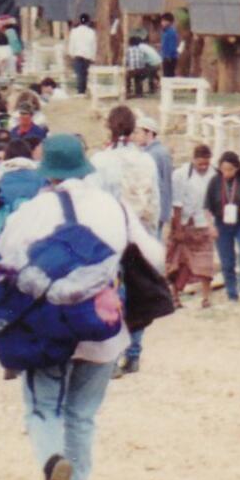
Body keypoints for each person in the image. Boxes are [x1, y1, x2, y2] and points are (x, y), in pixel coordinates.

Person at [0, 133, 161, 480]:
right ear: (84, 167)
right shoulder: (114, 207)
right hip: (102, 323)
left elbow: (6, 254)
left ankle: (53, 461)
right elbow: (154, 255)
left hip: (48, 323)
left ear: (47, 171)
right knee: (83, 414)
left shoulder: (34, 210)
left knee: (43, 406)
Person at [88, 105, 163, 375]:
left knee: (112, 292)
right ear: (133, 129)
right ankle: (134, 352)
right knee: (138, 289)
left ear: (109, 126)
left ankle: (114, 352)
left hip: (110, 233)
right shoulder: (146, 160)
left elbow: (93, 200)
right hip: (140, 231)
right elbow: (154, 200)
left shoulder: (100, 161)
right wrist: (153, 235)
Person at [164, 142, 219, 309]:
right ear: (193, 160)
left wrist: (213, 224)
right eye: (199, 163)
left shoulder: (215, 174)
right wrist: (178, 228)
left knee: (205, 263)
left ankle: (206, 298)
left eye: (206, 163)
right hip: (183, 223)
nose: (203, 166)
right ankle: (175, 297)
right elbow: (177, 203)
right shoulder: (180, 175)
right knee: (177, 263)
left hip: (204, 224)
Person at [205, 150, 240, 303]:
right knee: (227, 260)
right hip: (221, 223)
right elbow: (206, 206)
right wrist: (210, 226)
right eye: (223, 169)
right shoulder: (214, 181)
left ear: (237, 168)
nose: (226, 173)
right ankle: (232, 294)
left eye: (230, 169)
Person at [66, 13, 97, 96]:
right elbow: (93, 45)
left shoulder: (74, 31)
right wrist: (93, 57)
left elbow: (71, 43)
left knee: (79, 74)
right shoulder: (91, 32)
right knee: (85, 74)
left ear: (80, 21)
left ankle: (80, 91)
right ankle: (83, 90)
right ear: (88, 21)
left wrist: (71, 53)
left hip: (77, 55)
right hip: (87, 55)